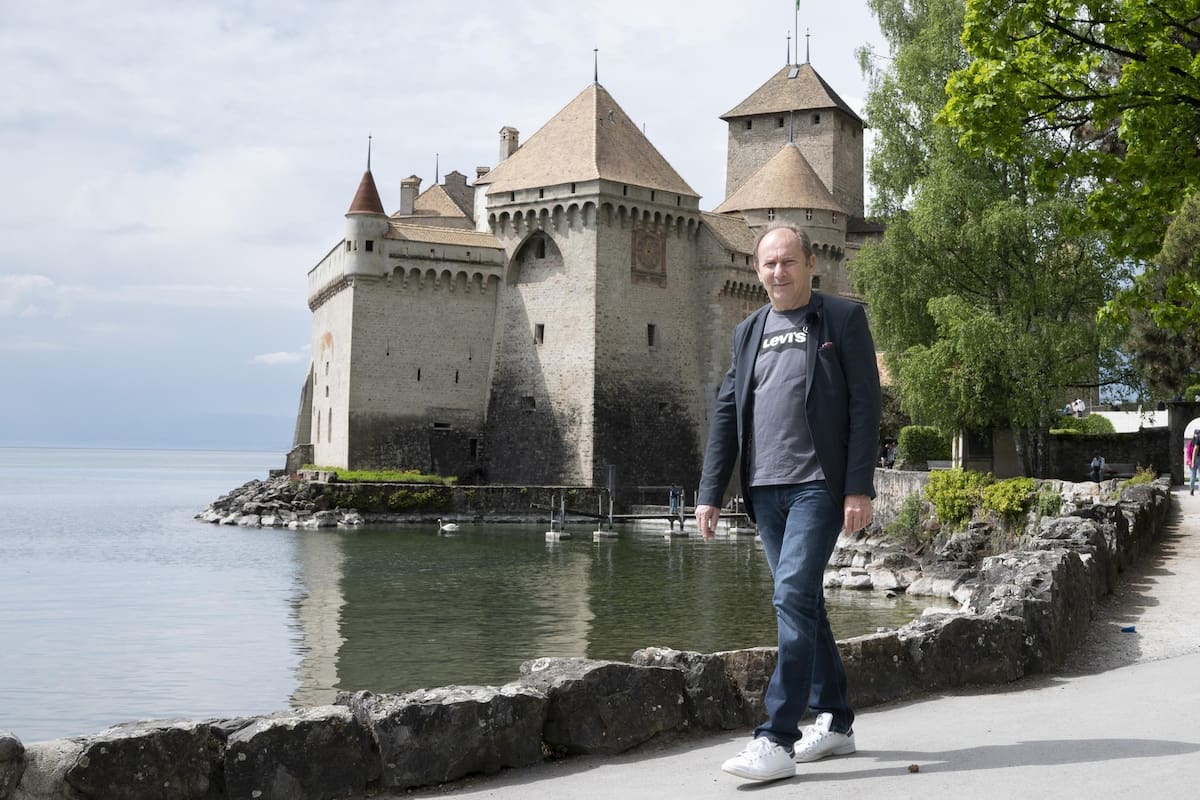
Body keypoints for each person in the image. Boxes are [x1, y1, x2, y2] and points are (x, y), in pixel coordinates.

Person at [694, 224, 881, 782]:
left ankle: (777, 736)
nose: (779, 272)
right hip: (764, 490)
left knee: (791, 594)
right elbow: (727, 411)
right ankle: (839, 722)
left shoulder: (842, 320)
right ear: (757, 271)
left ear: (810, 264)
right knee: (805, 604)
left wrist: (858, 486)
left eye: (788, 262)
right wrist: (709, 493)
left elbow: (865, 407)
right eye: (769, 264)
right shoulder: (748, 330)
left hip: (817, 485)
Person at [1187, 431, 1199, 495]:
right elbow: (1188, 453)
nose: (1197, 435)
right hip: (1192, 460)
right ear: (1194, 434)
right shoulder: (1190, 443)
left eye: (1198, 434)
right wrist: (1190, 461)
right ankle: (1191, 489)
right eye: (1196, 434)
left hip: (1199, 459)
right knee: (1193, 476)